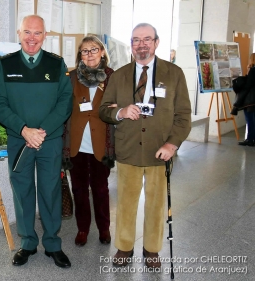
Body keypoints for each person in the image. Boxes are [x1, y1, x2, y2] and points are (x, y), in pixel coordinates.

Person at [99, 23, 191, 269]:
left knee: (156, 204)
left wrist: (172, 145)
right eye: (136, 40)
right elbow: (104, 110)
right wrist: (120, 111)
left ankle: (152, 250)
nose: (141, 44)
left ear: (156, 42)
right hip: (128, 150)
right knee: (126, 203)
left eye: (147, 39)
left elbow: (183, 116)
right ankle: (124, 247)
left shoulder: (174, 74)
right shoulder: (118, 76)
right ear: (131, 44)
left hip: (159, 151)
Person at [0, 15, 73, 268]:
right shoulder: (6, 64)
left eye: (37, 33)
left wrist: (42, 131)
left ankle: (52, 244)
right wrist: (24, 130)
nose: (31, 38)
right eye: (27, 32)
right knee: (22, 190)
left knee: (50, 190)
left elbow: (65, 103)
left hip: (49, 141)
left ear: (44, 35)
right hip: (19, 141)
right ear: (19, 33)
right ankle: (28, 243)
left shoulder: (56, 64)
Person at [63, 35, 114, 247]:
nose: (90, 54)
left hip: (101, 142)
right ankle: (82, 228)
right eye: (85, 51)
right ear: (80, 55)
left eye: (94, 49)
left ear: (102, 52)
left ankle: (104, 228)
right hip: (76, 143)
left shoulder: (112, 77)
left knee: (101, 189)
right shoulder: (71, 76)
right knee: (79, 189)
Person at [233, 53, 255, 146]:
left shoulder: (253, 70)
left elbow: (248, 85)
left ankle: (250, 140)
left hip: (251, 100)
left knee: (250, 119)